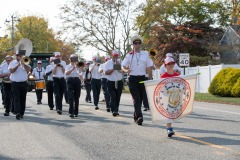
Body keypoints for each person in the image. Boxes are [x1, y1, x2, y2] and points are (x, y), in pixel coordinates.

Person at [122, 35, 153, 125]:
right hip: (132, 79)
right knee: (137, 99)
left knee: (141, 98)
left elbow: (149, 67)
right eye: (135, 43)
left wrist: (150, 79)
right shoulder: (129, 55)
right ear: (133, 44)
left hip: (143, 78)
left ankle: (136, 116)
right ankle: (140, 117)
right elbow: (123, 66)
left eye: (139, 43)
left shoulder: (145, 54)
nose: (137, 44)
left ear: (140, 44)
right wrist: (126, 70)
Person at [160, 57, 180, 137]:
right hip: (166, 97)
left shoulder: (177, 75)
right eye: (168, 64)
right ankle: (169, 129)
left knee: (173, 113)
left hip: (175, 97)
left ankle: (169, 127)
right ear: (165, 66)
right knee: (169, 113)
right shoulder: (163, 76)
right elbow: (160, 88)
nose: (170, 65)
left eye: (172, 63)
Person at [8, 51, 31, 120]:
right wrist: (18, 64)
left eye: (21, 55)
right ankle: (17, 112)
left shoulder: (26, 61)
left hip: (24, 83)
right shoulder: (12, 63)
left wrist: (23, 64)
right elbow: (11, 71)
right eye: (18, 55)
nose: (19, 56)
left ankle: (21, 113)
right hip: (15, 83)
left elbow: (29, 70)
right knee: (16, 98)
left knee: (23, 98)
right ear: (16, 55)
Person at [105, 50, 123, 116]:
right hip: (110, 82)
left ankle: (116, 109)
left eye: (116, 56)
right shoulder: (108, 63)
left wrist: (118, 66)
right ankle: (113, 110)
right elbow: (106, 73)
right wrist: (113, 67)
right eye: (114, 56)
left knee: (118, 96)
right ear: (111, 55)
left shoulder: (120, 62)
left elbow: (121, 71)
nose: (115, 57)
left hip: (119, 81)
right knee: (113, 96)